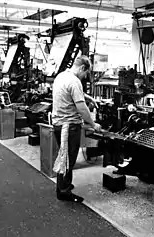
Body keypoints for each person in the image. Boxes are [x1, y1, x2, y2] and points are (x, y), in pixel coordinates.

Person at [52, 55, 101, 203]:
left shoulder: (61, 76)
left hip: (59, 124)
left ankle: (64, 185)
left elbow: (74, 93)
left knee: (64, 157)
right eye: (85, 73)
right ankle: (64, 192)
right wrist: (93, 124)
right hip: (69, 127)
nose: (85, 76)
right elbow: (81, 108)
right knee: (68, 160)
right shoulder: (74, 81)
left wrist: (89, 98)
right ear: (82, 68)